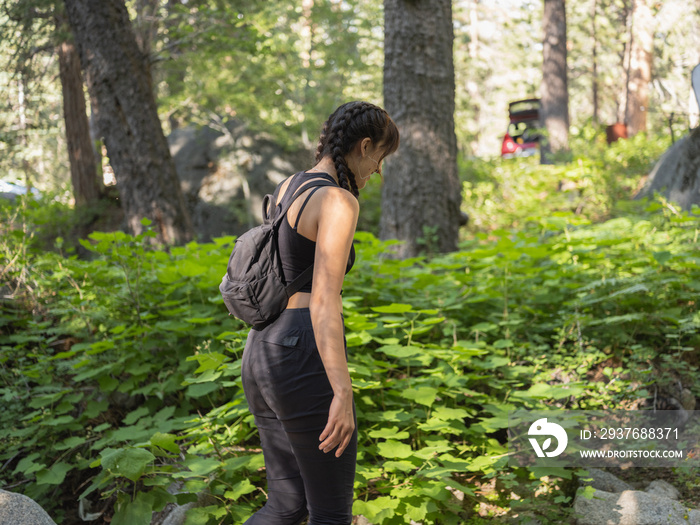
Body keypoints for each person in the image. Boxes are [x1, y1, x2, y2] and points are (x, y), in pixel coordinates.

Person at [240, 101, 400, 524]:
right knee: (330, 514)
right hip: (300, 353)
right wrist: (343, 393)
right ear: (364, 146)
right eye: (380, 159)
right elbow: (325, 301)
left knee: (285, 506)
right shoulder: (338, 201)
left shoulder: (292, 184)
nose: (377, 172)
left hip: (261, 350)